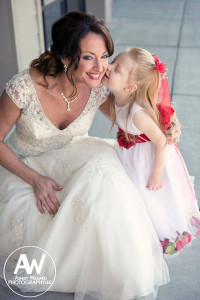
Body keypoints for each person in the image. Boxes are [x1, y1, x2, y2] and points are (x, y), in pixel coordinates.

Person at [0, 11, 182, 300]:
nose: (101, 68)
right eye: (88, 57)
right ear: (65, 56)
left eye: (105, 56)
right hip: (27, 167)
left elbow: (130, 119)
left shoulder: (97, 89)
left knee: (104, 174)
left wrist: (164, 126)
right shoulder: (24, 87)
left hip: (77, 155)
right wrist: (35, 180)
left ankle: (120, 267)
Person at [102, 47, 200, 256]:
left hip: (149, 159)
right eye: (113, 62)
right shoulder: (116, 97)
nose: (108, 67)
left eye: (117, 69)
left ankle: (158, 233)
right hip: (133, 154)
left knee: (151, 196)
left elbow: (161, 142)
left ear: (130, 87)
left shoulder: (138, 114)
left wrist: (156, 173)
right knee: (134, 195)